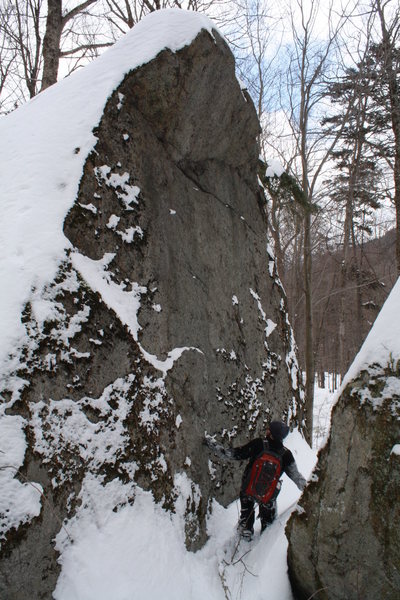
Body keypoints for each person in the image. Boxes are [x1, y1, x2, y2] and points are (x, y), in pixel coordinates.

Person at [205, 421, 306, 540]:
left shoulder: (259, 444)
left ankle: (245, 532)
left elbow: (236, 454)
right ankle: (264, 543)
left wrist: (214, 446)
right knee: (269, 526)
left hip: (248, 490)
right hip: (268, 497)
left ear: (271, 433)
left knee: (246, 519)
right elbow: (297, 477)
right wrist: (311, 491)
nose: (267, 430)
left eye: (269, 429)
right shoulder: (286, 454)